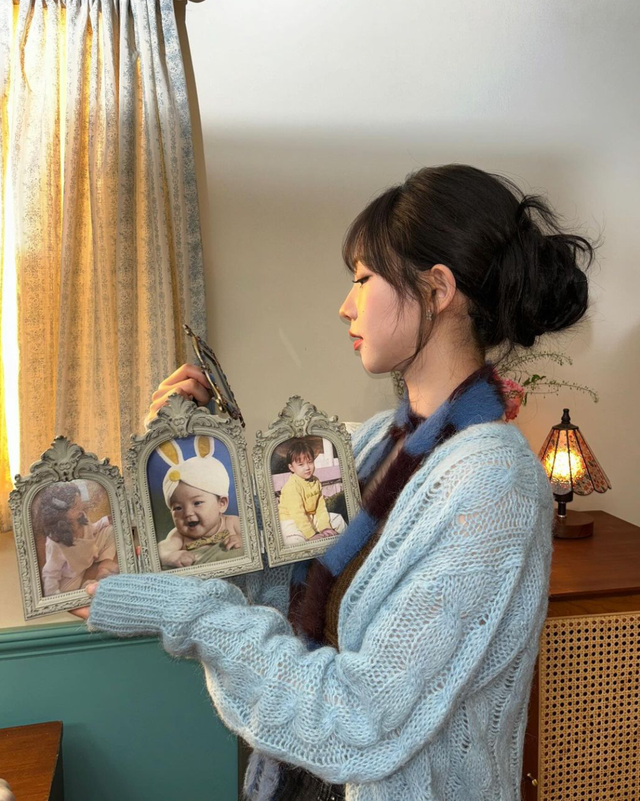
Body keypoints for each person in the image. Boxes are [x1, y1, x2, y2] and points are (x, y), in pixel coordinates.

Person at [75, 164, 596, 801]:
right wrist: (202, 458)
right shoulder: (375, 444)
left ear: (437, 289)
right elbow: (283, 599)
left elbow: (358, 721)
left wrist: (185, 612)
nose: (346, 306)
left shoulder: (495, 487)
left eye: (364, 278)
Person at [155, 436, 243, 567]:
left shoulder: (232, 523)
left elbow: (257, 536)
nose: (187, 513)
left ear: (222, 503)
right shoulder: (179, 536)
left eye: (197, 503)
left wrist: (243, 540)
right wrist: (169, 556)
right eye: (178, 508)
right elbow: (159, 551)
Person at [36, 482, 119, 595]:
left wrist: (104, 521)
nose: (81, 507)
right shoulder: (55, 542)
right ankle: (87, 585)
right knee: (68, 594)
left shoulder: (81, 515)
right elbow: (51, 572)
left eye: (80, 502)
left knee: (111, 530)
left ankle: (103, 569)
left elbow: (91, 529)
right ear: (61, 513)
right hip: (74, 572)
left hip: (90, 552)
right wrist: (52, 598)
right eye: (75, 506)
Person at [277, 440, 346, 545]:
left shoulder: (316, 481)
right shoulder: (292, 486)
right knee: (296, 541)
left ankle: (348, 544)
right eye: (301, 464)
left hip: (310, 517)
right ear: (291, 467)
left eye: (310, 462)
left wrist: (325, 527)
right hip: (291, 521)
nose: (307, 468)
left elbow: (320, 507)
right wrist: (311, 535)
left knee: (338, 520)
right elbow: (298, 514)